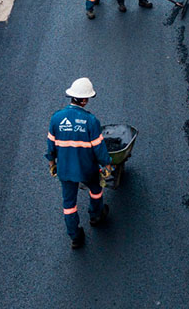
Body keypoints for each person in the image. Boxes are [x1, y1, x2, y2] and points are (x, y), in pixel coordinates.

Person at [45, 77, 113, 249]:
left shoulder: (56, 118)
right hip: (87, 169)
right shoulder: (91, 121)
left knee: (69, 204)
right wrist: (107, 165)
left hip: (65, 170)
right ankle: (96, 215)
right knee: (96, 189)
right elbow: (99, 148)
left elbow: (50, 146)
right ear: (84, 100)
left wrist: (52, 163)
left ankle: (75, 237)